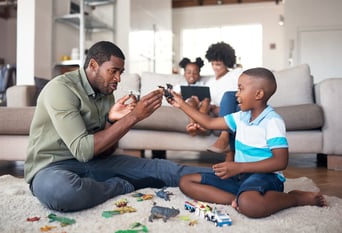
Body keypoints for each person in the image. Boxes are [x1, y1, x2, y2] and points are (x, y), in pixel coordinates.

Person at [24, 41, 212, 212]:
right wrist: (133, 116)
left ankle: (232, 177)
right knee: (62, 192)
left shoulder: (106, 94)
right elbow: (82, 150)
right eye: (113, 71)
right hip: (52, 168)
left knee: (164, 169)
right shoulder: (61, 89)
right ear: (93, 65)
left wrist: (112, 121)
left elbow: (105, 152)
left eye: (120, 72)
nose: (118, 79)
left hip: (95, 163)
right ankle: (120, 185)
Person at [167, 67, 327, 218]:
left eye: (241, 89)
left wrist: (239, 167)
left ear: (258, 94)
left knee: (251, 206)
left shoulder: (272, 121)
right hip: (240, 176)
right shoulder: (241, 116)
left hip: (266, 177)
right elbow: (208, 122)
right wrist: (181, 103)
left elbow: (281, 161)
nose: (236, 94)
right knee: (186, 181)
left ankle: (294, 198)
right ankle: (239, 199)